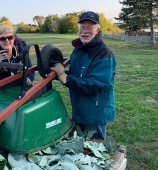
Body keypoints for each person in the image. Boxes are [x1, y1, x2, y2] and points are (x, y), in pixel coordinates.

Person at [50, 11, 116, 140]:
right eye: (82, 27)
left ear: (97, 30)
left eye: (89, 28)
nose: (85, 31)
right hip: (79, 109)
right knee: (80, 144)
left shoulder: (104, 53)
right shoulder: (79, 49)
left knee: (95, 147)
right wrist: (59, 74)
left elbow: (95, 85)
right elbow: (78, 76)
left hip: (95, 112)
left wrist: (65, 78)